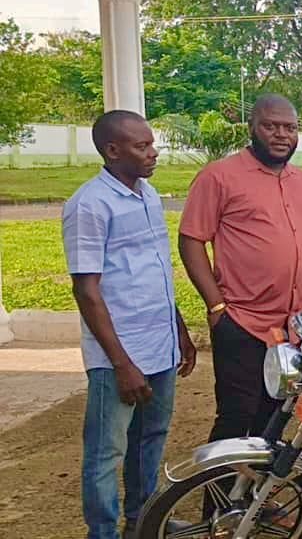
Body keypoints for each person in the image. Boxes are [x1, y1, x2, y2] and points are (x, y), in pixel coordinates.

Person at [62, 110, 197, 539]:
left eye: (151, 143)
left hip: (159, 342)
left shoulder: (148, 194)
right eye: (142, 146)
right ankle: (103, 532)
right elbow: (86, 290)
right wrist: (122, 364)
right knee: (107, 451)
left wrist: (179, 329)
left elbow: (157, 269)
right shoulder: (89, 205)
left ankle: (144, 518)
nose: (153, 152)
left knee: (151, 436)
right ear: (112, 150)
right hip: (118, 353)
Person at [179, 94, 302, 443]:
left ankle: (257, 480)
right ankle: (222, 481)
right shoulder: (219, 177)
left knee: (274, 415)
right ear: (252, 128)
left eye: (289, 128)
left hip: (292, 326)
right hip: (242, 322)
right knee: (236, 415)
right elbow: (191, 240)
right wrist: (216, 306)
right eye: (270, 126)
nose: (281, 135)